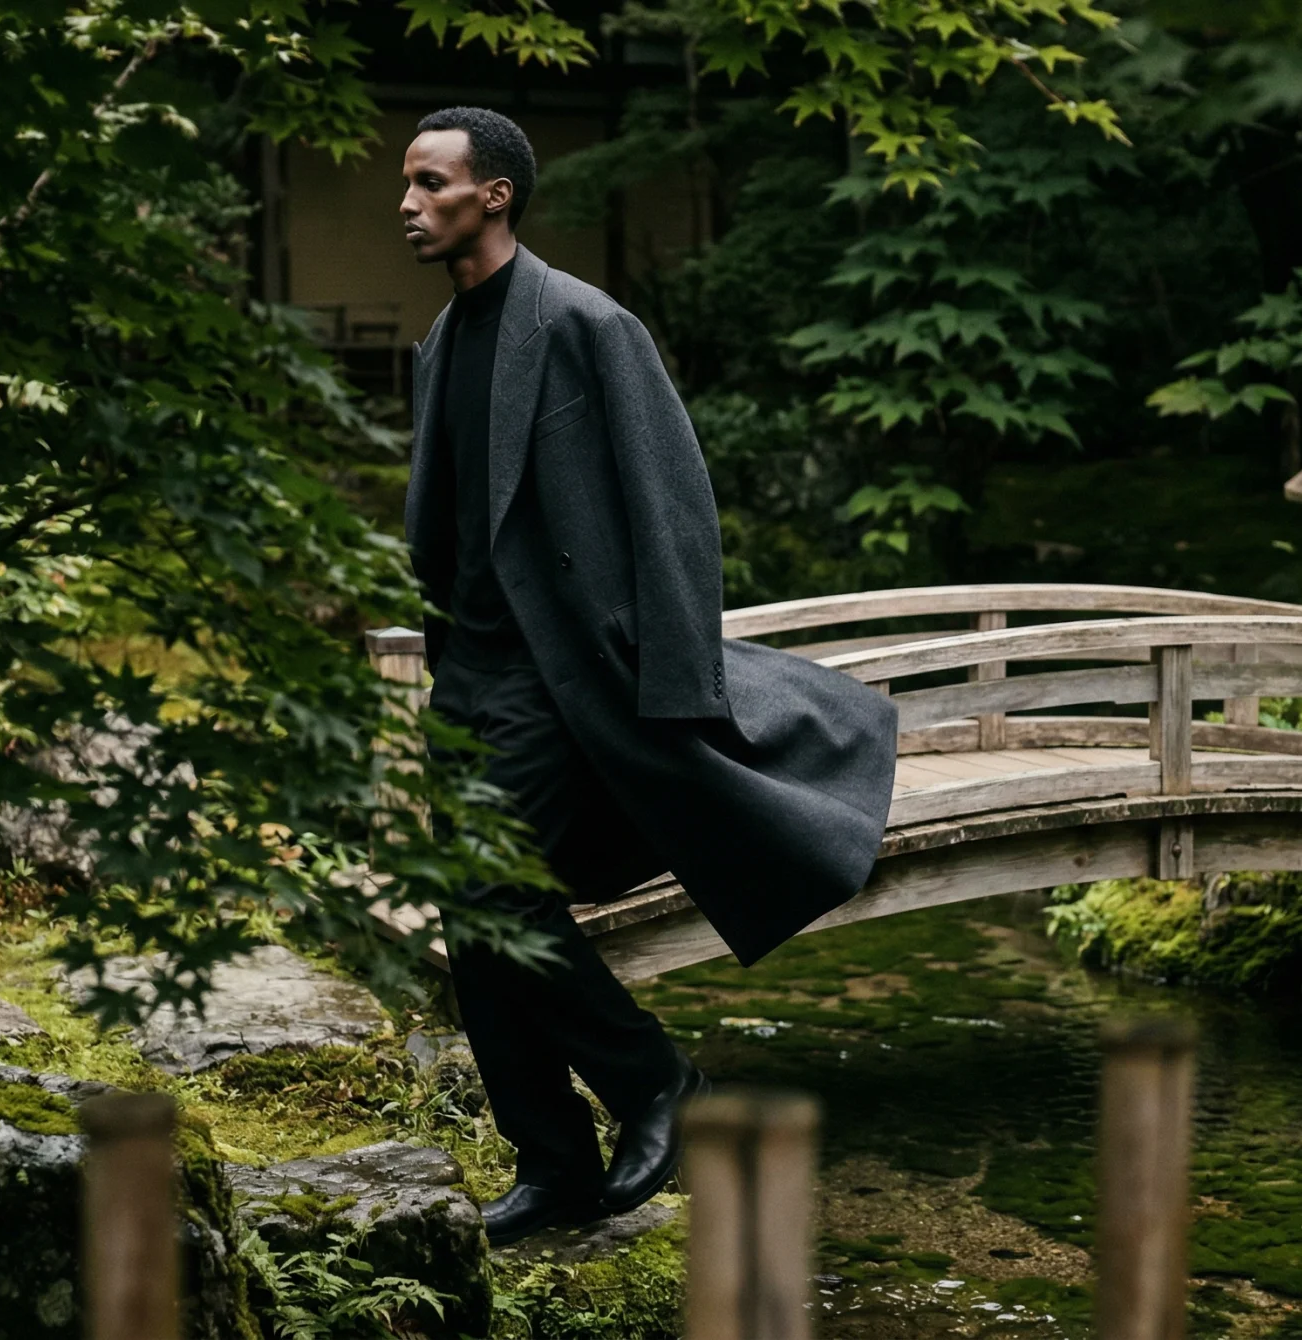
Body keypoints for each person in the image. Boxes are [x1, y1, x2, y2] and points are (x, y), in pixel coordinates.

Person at [397, 107, 898, 1246]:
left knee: (497, 894)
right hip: (467, 675)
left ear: (497, 195)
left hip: (564, 672)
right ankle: (553, 1159)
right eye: (408, 185)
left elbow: (674, 511)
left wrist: (677, 684)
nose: (409, 204)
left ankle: (655, 1079)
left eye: (431, 183)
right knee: (471, 915)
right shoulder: (438, 345)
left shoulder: (584, 325)